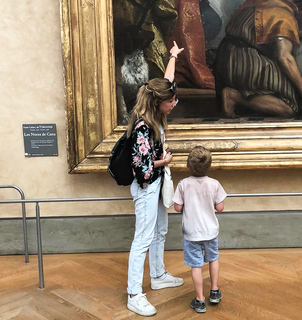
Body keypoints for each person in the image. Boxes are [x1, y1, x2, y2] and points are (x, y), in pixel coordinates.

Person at [125, 42, 185, 317]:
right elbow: (143, 170)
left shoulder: (156, 110)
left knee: (160, 231)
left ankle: (158, 275)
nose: (174, 103)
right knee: (143, 239)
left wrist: (173, 56)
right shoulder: (142, 127)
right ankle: (134, 294)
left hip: (158, 184)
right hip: (147, 187)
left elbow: (167, 82)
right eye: (170, 101)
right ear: (157, 102)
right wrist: (165, 161)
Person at [214, 0, 302, 118]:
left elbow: (265, 32)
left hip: (225, 60)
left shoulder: (257, 4)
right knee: (289, 106)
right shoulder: (281, 13)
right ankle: (234, 96)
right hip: (246, 62)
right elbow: (284, 58)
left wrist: (299, 33)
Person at [172, 146, 227, 313]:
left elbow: (176, 207)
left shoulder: (183, 184)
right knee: (213, 258)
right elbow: (220, 208)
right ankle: (215, 291)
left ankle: (200, 299)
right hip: (210, 231)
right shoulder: (214, 184)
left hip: (191, 232)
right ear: (209, 166)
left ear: (188, 165)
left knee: (196, 265)